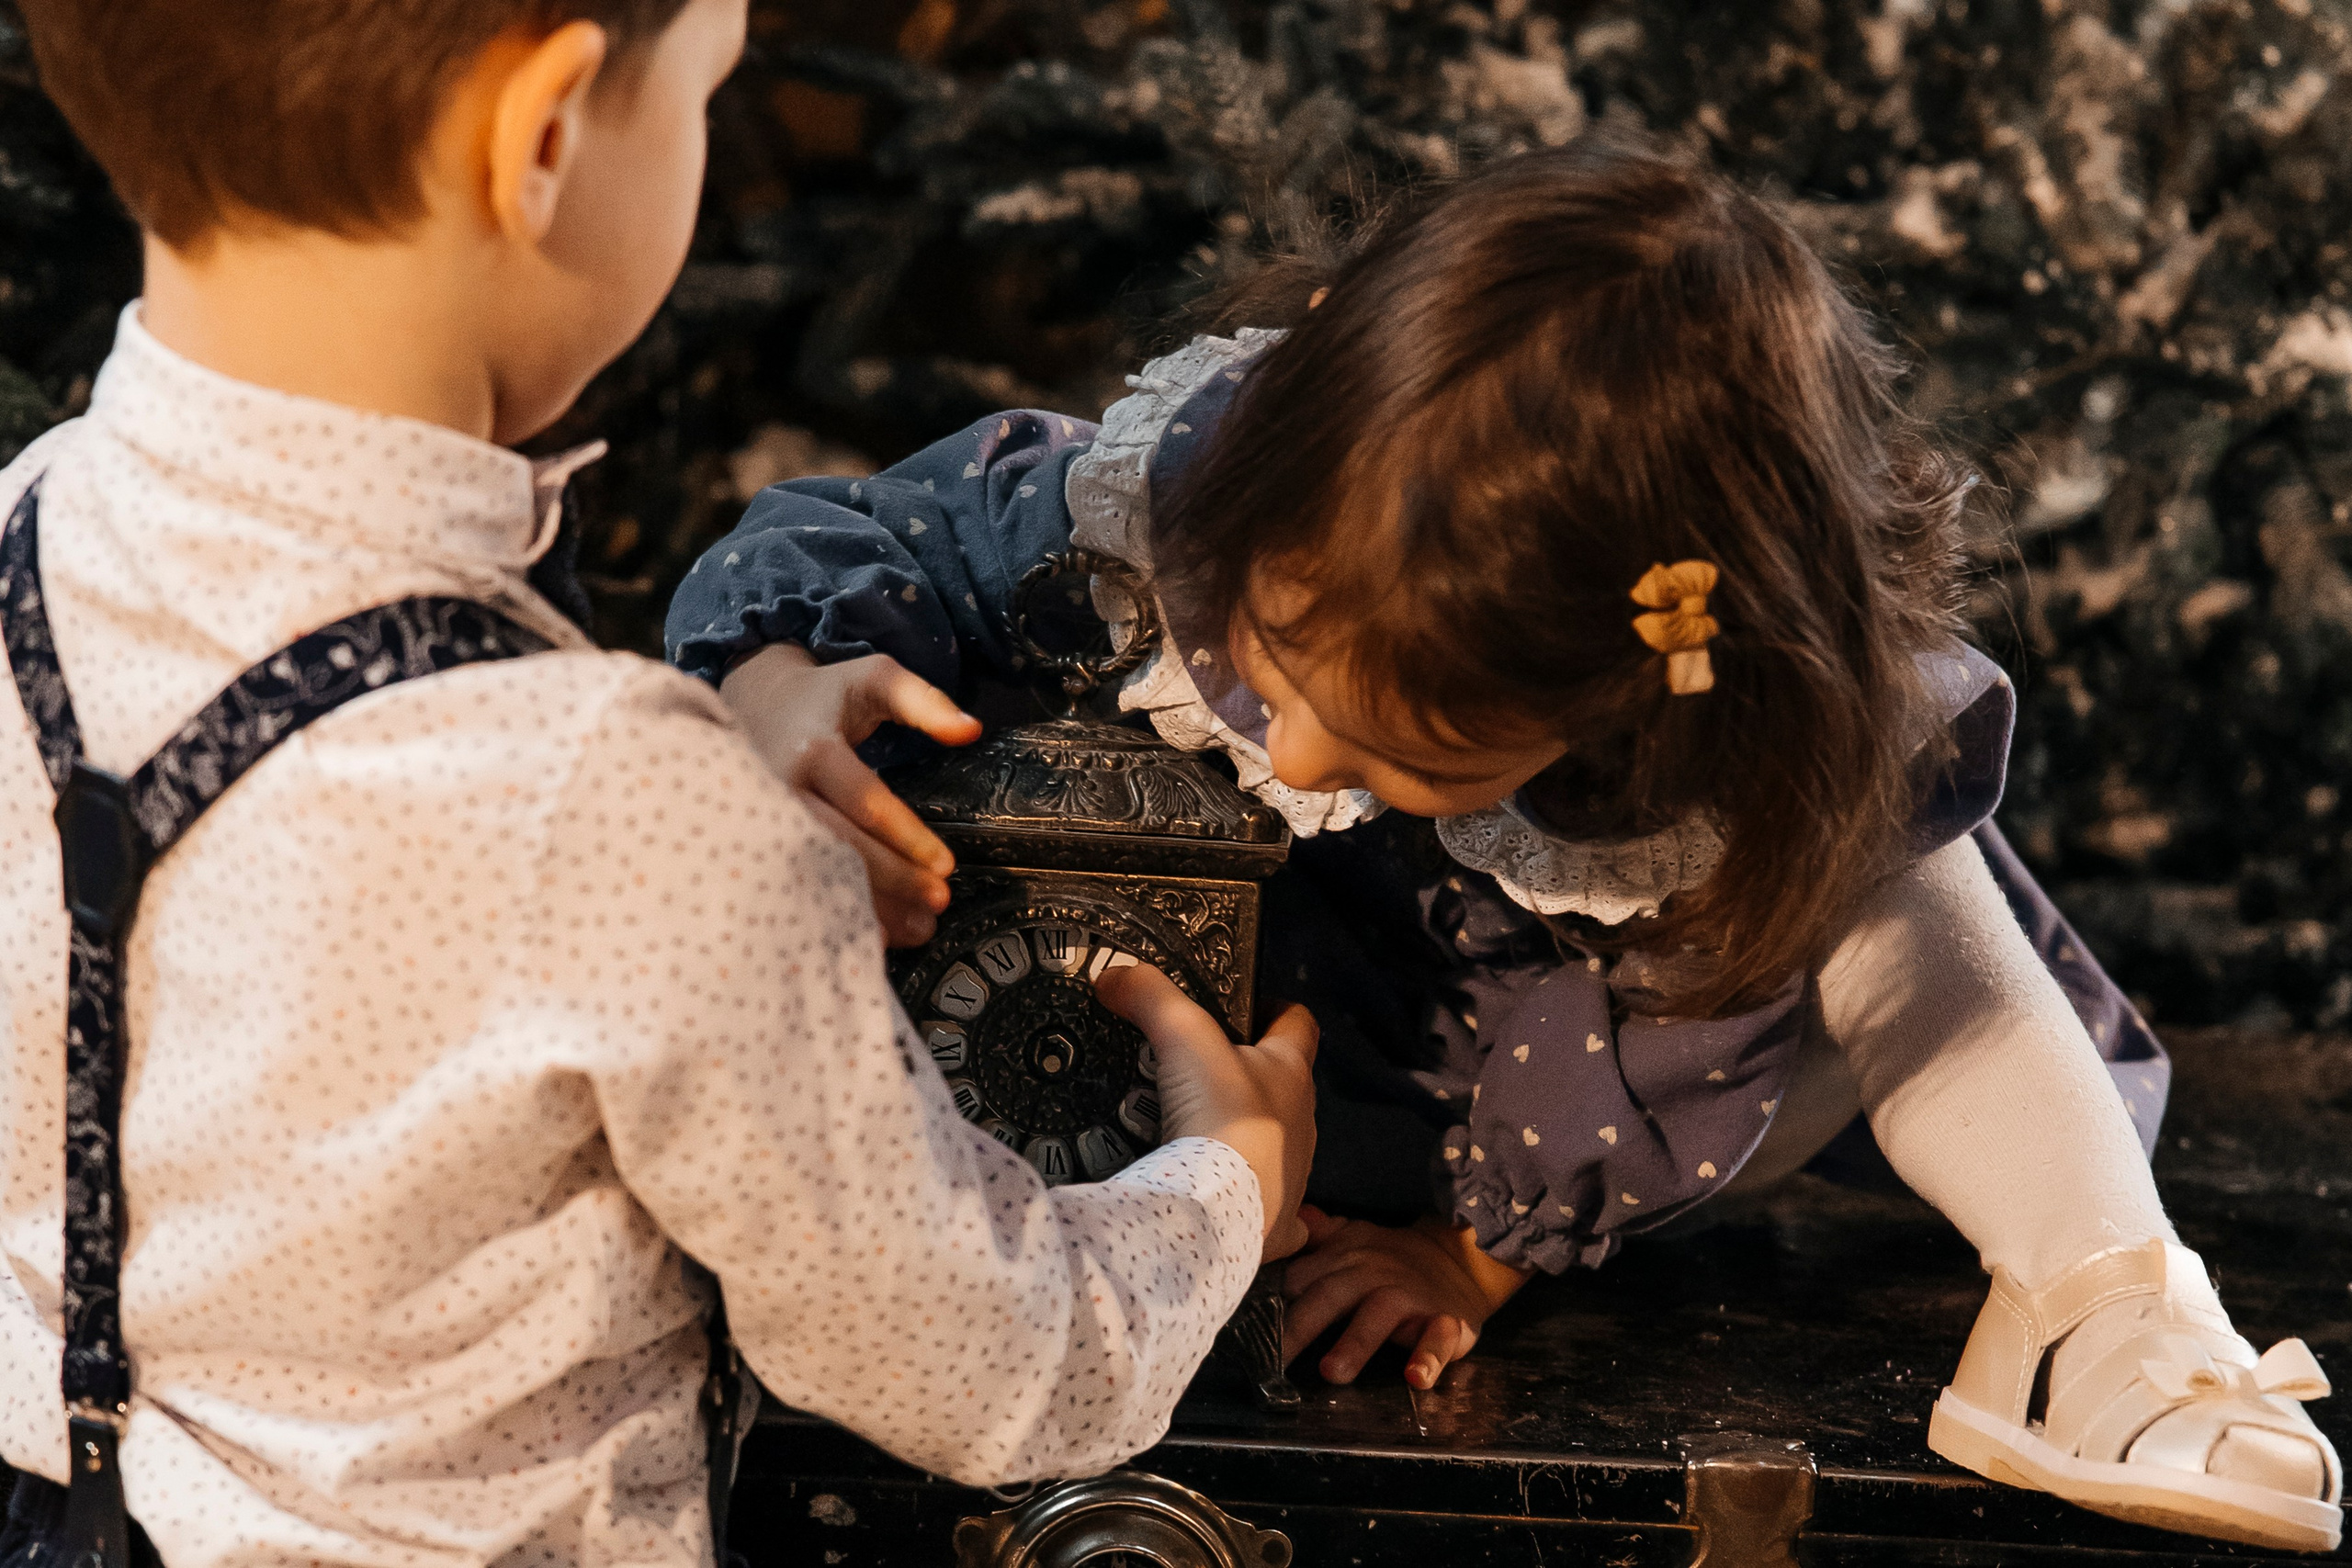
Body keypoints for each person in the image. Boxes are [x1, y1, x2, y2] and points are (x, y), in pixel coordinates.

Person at [668, 144, 2343, 1552]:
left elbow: (1702, 1041)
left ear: (1615, 691)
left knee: (1884, 877)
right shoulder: (1220, 483)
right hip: (1297, 1041)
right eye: (1276, 648)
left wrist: (1477, 1254)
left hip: (1618, 1100)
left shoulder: (1694, 739)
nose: (1302, 750)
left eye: (1398, 745)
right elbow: (871, 527)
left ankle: (2103, 1294)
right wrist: (772, 678)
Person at [0, 2, 1322, 1564]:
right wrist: (1227, 1182)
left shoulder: (25, 528)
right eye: (705, 85)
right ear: (549, 133)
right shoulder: (609, 791)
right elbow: (979, 1360)